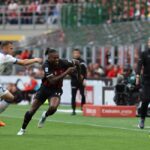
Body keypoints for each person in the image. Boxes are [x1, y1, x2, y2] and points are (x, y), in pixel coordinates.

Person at [17, 48, 80, 135]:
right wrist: (66, 72)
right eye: (54, 58)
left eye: (58, 57)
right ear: (49, 58)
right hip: (44, 89)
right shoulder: (46, 65)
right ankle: (22, 129)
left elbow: (77, 63)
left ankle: (45, 115)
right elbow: (52, 80)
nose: (57, 59)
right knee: (32, 110)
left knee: (53, 108)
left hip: (56, 90)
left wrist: (79, 76)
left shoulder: (63, 62)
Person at [0, 41, 42, 127]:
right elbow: (23, 62)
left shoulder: (7, 57)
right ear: (4, 48)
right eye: (10, 48)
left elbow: (23, 62)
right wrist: (36, 60)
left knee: (9, 97)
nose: (12, 50)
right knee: (9, 97)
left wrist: (34, 60)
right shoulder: (4, 57)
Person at [136, 38, 150, 129]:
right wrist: (137, 75)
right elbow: (139, 65)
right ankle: (142, 119)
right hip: (147, 80)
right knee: (146, 100)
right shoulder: (144, 53)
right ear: (148, 43)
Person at [70, 48, 87, 115]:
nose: (76, 54)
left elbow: (85, 72)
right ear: (73, 54)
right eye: (74, 53)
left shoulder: (83, 62)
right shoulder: (71, 62)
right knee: (73, 96)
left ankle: (83, 108)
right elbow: (70, 71)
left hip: (81, 82)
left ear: (79, 54)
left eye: (77, 53)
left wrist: (85, 79)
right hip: (74, 81)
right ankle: (73, 110)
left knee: (83, 95)